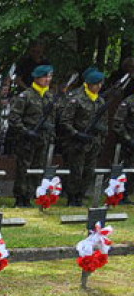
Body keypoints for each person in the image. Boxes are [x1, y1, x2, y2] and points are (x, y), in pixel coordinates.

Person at [59, 68, 108, 206]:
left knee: (89, 171)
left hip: (94, 142)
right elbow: (65, 121)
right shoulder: (77, 99)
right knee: (76, 171)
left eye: (100, 84)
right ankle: (72, 197)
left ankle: (80, 195)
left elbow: (104, 122)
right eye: (96, 84)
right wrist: (76, 134)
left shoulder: (100, 101)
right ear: (89, 84)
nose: (99, 86)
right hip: (78, 142)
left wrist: (101, 138)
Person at [8, 64, 55, 208]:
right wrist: (25, 131)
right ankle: (20, 198)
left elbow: (52, 119)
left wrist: (50, 133)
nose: (48, 79)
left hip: (42, 139)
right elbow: (14, 118)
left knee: (38, 168)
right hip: (27, 139)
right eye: (45, 77)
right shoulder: (26, 96)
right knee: (24, 168)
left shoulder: (49, 96)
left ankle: (31, 195)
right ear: (37, 78)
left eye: (50, 77)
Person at [112, 90, 134, 203]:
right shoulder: (128, 102)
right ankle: (121, 195)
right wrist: (128, 139)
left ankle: (128, 193)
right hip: (128, 144)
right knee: (126, 169)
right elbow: (117, 124)